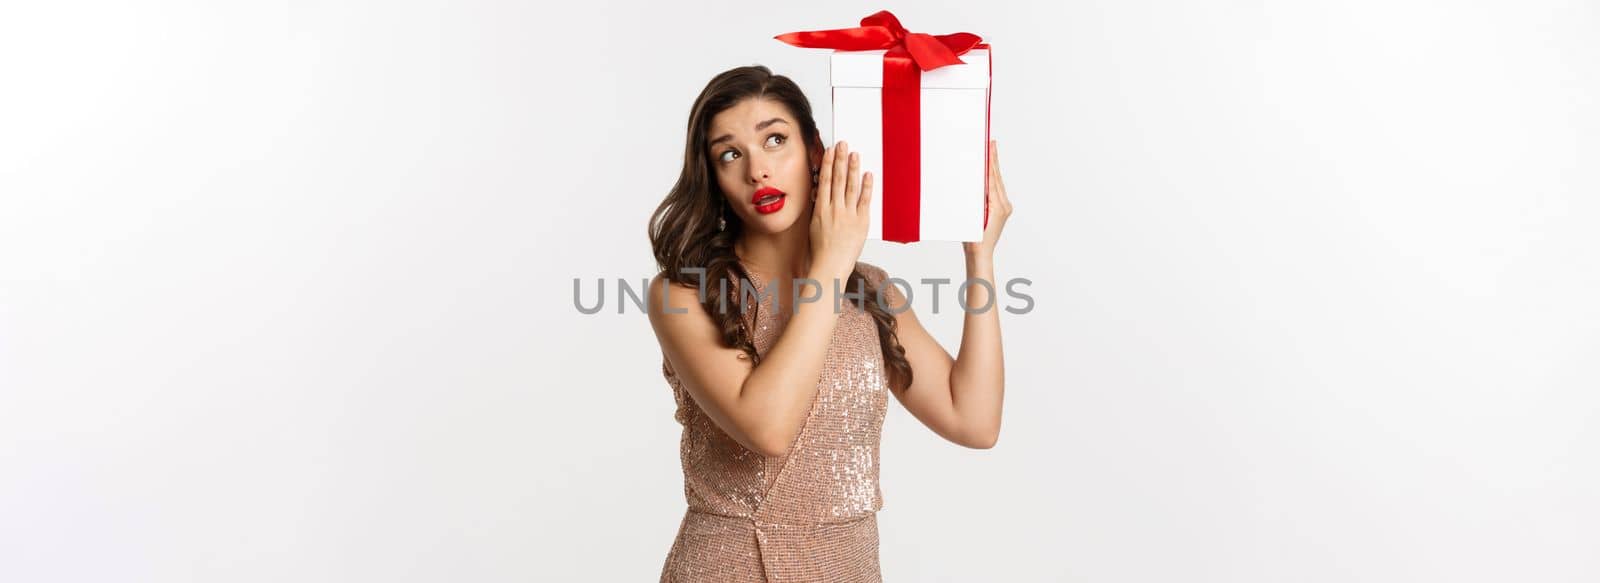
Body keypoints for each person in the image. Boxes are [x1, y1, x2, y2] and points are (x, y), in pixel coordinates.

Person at [645, 64, 1013, 582]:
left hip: (848, 567)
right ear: (715, 178)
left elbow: (973, 421)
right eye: (731, 154)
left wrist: (980, 258)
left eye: (775, 140)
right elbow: (768, 428)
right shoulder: (682, 294)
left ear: (817, 151)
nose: (758, 171)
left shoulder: (872, 290)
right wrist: (831, 267)